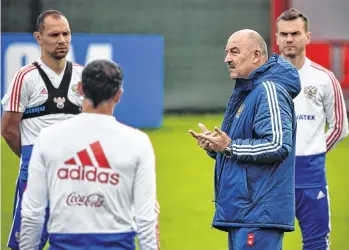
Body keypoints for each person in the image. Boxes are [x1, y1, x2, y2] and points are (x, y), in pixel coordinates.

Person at [19, 59, 160, 250]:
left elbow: (32, 212)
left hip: (64, 243)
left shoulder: (48, 137)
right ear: (118, 95)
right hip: (118, 243)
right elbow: (146, 217)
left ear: (80, 88)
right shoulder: (138, 142)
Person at [189, 29, 301, 250]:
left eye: (234, 52)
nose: (227, 59)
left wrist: (229, 146)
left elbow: (278, 144)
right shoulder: (250, 90)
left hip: (258, 215)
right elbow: (238, 144)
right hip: (245, 214)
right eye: (227, 52)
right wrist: (217, 147)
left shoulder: (269, 90)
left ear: (256, 56)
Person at [1, 9, 83, 250]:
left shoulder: (83, 76)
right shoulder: (24, 77)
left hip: (76, 179)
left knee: (75, 244)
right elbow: (8, 129)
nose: (62, 40)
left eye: (66, 34)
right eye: (54, 34)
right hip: (36, 180)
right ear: (38, 37)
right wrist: (34, 159)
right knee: (26, 246)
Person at [276, 8, 349, 250]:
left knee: (317, 244)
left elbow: (340, 126)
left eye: (295, 33)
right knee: (264, 242)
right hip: (273, 174)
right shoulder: (263, 80)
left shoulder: (325, 78)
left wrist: (316, 150)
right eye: (284, 34)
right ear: (276, 38)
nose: (289, 39)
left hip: (311, 175)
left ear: (307, 36)